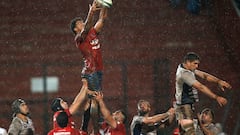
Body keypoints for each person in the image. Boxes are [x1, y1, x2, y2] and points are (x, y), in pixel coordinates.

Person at [70, 0, 108, 134]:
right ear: (75, 29)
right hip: (90, 71)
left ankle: (85, 128)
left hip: (97, 70)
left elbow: (102, 19)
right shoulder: (79, 38)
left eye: (82, 21)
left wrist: (105, 5)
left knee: (91, 101)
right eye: (79, 23)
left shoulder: (92, 31)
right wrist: (91, 12)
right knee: (97, 99)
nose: (83, 23)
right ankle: (97, 129)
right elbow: (86, 28)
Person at [174, 52, 232, 135]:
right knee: (189, 133)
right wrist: (216, 97)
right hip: (183, 107)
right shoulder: (183, 74)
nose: (196, 66)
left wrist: (218, 81)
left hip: (186, 106)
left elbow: (205, 76)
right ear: (187, 62)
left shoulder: (188, 69)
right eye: (195, 63)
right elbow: (200, 87)